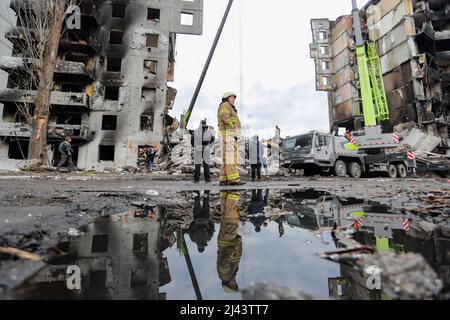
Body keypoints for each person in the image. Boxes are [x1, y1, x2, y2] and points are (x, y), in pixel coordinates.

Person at [218, 92, 245, 186]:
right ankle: (234, 179)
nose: (234, 100)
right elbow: (224, 117)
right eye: (232, 98)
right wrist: (232, 126)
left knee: (226, 158)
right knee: (231, 157)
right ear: (226, 98)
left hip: (226, 134)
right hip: (228, 134)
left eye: (234, 98)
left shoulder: (228, 106)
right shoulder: (226, 105)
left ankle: (224, 179)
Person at [217, 190, 242, 293]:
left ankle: (233, 192)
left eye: (233, 284)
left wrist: (233, 250)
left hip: (228, 240)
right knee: (225, 216)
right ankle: (225, 191)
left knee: (231, 218)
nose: (235, 281)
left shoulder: (225, 275)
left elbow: (225, 261)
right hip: (226, 240)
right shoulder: (229, 274)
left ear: (229, 284)